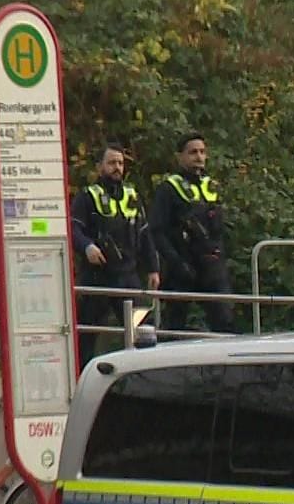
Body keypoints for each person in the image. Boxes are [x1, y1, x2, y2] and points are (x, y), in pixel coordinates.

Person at [70, 143, 159, 364]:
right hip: (97, 275)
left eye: (120, 163)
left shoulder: (132, 196)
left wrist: (153, 268)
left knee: (142, 333)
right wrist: (87, 246)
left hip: (127, 275)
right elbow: (73, 228)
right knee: (87, 335)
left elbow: (145, 234)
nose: (117, 167)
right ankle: (82, 379)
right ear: (100, 166)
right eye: (111, 163)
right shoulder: (87, 196)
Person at [149, 131, 233, 336]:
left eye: (202, 152)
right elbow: (157, 231)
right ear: (180, 156)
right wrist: (176, 263)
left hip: (211, 266)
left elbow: (220, 229)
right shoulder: (168, 189)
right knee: (175, 328)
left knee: (225, 323)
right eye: (193, 152)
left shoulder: (211, 187)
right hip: (183, 268)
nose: (199, 157)